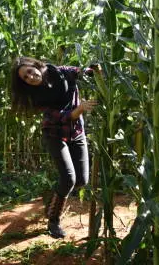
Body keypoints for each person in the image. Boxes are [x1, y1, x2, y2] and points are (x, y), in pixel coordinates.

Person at [10, 56, 98, 238]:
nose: (30, 77)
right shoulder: (37, 97)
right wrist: (78, 110)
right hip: (55, 135)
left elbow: (81, 72)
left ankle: (52, 199)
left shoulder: (60, 72)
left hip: (77, 132)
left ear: (34, 64)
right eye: (26, 79)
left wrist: (95, 70)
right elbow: (57, 118)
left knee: (82, 181)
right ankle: (54, 221)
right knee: (68, 179)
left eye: (29, 71)